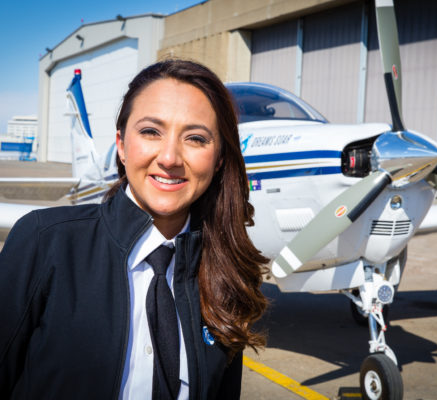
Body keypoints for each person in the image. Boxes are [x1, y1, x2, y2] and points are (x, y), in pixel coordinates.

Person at [0, 59, 268, 399]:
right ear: (122, 145)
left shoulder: (227, 276)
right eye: (150, 132)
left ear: (218, 160)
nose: (170, 158)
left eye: (196, 138)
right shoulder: (43, 242)